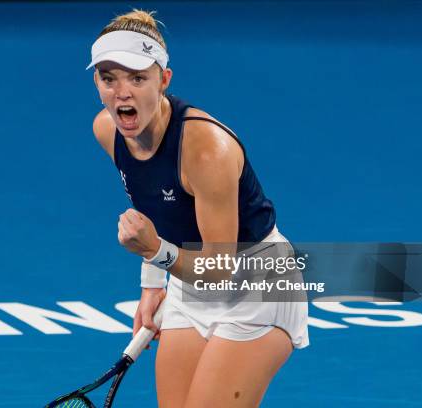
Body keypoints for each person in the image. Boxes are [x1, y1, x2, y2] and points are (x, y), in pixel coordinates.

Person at [88, 9, 309, 407]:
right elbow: (154, 205)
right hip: (190, 280)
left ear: (164, 80)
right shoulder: (107, 129)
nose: (122, 93)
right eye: (109, 78)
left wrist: (155, 251)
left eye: (138, 78)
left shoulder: (206, 150)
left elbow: (219, 270)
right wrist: (152, 285)